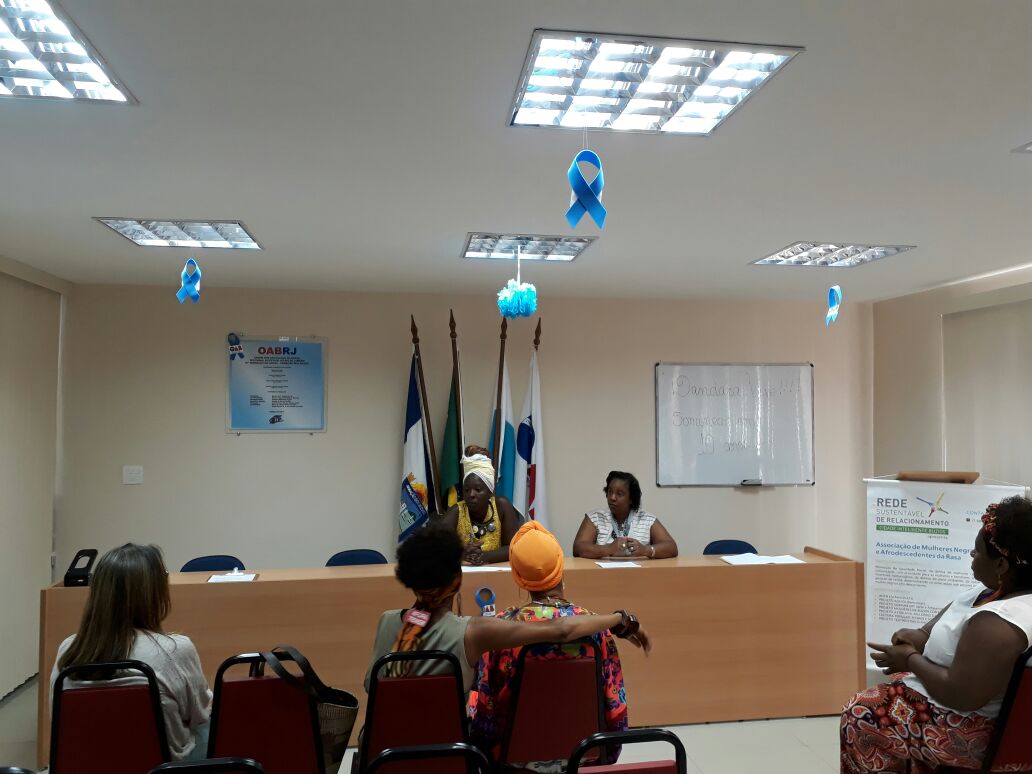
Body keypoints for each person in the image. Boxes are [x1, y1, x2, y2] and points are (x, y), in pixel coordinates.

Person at [841, 496, 1032, 773]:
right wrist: (914, 638)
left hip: (972, 728)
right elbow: (931, 631)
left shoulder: (999, 624)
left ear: (1001, 565)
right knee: (890, 691)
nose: (971, 555)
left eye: (977, 552)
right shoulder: (990, 592)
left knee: (859, 714)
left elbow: (961, 695)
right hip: (952, 702)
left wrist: (910, 660)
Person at [364, 527, 649, 698]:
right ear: (456, 582)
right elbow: (561, 629)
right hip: (449, 757)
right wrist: (619, 619)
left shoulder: (386, 621)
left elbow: (371, 687)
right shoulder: (473, 632)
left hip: (383, 757)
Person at [469, 521, 629, 771]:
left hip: (513, 761)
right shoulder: (595, 627)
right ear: (560, 569)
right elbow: (615, 713)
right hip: (583, 756)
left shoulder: (500, 629)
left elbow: (485, 713)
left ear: (519, 577)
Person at [50, 543, 212, 761]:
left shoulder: (69, 648)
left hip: (87, 763)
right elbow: (200, 713)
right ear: (154, 594)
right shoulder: (175, 649)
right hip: (162, 767)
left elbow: (57, 716)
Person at [438, 445, 522, 565]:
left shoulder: (502, 506)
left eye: (478, 489)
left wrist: (485, 556)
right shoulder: (457, 511)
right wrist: (462, 554)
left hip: (497, 573)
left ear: (490, 491)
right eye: (467, 490)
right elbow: (436, 547)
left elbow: (513, 548)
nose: (471, 494)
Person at [572, 471, 678, 560]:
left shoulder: (646, 519)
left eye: (619, 494)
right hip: (602, 574)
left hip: (640, 575)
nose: (612, 497)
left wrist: (646, 550)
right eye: (610, 492)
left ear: (631, 498)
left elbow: (671, 548)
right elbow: (578, 548)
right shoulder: (595, 518)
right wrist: (608, 549)